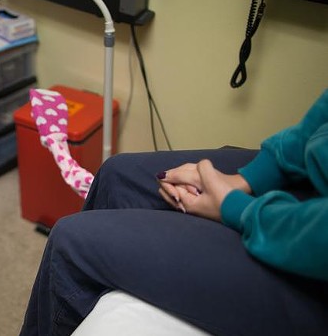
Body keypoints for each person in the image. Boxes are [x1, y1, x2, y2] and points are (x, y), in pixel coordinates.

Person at [19, 89, 328, 336]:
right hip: (314, 189)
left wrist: (236, 208)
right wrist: (246, 179)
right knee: (117, 174)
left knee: (71, 241)